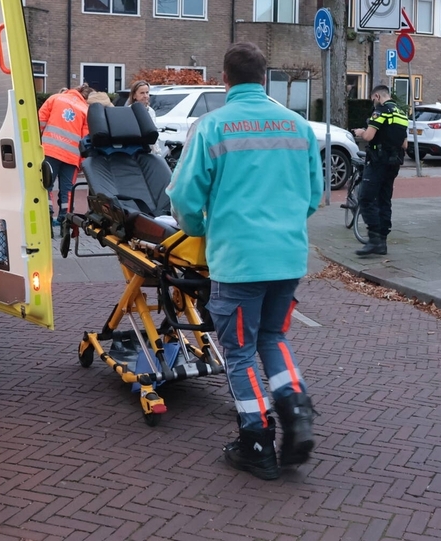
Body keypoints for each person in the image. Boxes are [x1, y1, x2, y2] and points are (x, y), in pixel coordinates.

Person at [167, 42, 324, 481]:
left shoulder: (212, 127)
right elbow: (314, 196)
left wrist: (198, 228)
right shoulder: (298, 127)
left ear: (226, 77)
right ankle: (297, 409)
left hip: (239, 260)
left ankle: (256, 442)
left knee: (237, 354)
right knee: (272, 337)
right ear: (263, 75)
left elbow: (183, 196)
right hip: (289, 257)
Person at [351, 85, 408, 256]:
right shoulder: (401, 114)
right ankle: (382, 242)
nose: (373, 103)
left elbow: (368, 136)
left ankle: (374, 238)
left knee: (366, 198)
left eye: (372, 100)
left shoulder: (381, 111)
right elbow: (405, 144)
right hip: (394, 163)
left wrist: (361, 132)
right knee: (384, 200)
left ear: (377, 96)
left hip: (378, 162)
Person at [37, 84, 90, 228]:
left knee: (45, 185)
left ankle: (47, 215)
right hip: (72, 156)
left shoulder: (55, 98)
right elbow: (86, 141)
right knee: (67, 190)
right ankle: (65, 220)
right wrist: (83, 162)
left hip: (50, 150)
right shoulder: (85, 109)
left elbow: (39, 122)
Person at [126, 79, 163, 156]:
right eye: (142, 93)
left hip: (149, 152)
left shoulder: (151, 111)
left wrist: (157, 153)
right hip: (135, 152)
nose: (145, 96)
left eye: (147, 92)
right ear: (134, 95)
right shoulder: (129, 111)